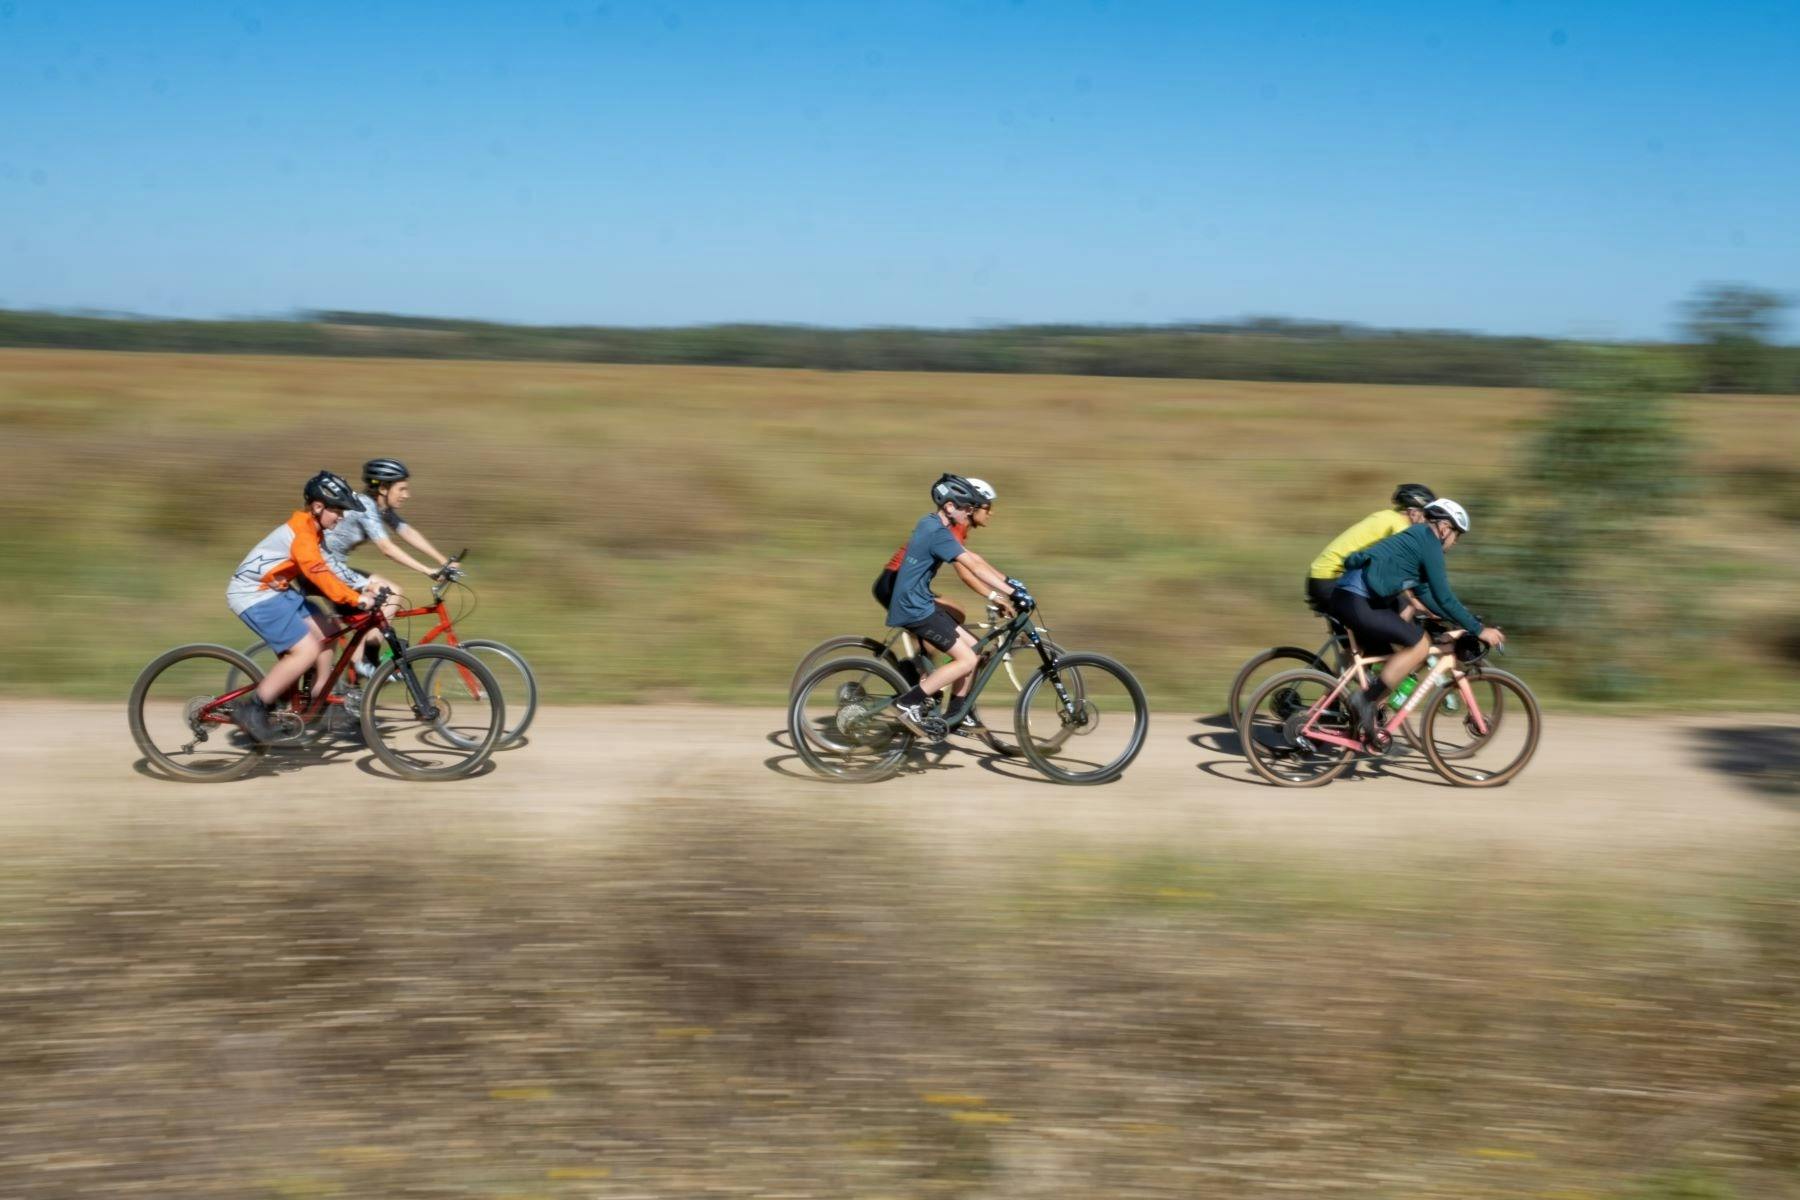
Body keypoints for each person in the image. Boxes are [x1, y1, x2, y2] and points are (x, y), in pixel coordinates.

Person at [1328, 498, 1504, 744]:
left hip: (1352, 598)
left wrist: (1459, 619)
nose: (1455, 542)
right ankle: (1364, 702)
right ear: (1444, 528)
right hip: (1357, 600)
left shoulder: (1418, 538)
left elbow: (1427, 595)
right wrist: (1479, 629)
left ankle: (1360, 717)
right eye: (1457, 535)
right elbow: (1444, 595)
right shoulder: (1428, 543)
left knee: (1393, 661)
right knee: (1419, 645)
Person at [225, 471, 372, 742]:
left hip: (276, 591)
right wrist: (354, 598)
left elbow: (328, 569)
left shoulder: (314, 531)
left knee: (328, 628)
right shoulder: (302, 533)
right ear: (318, 507)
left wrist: (363, 588)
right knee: (305, 652)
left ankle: (319, 697)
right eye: (337, 511)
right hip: (253, 594)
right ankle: (254, 708)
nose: (341, 517)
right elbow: (317, 572)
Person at [886, 474, 1024, 738]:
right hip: (915, 609)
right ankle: (908, 702)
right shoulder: (936, 532)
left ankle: (956, 716)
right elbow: (971, 566)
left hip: (920, 603)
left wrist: (1010, 585)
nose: (969, 513)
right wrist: (1008, 592)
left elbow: (975, 560)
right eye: (966, 508)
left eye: (973, 509)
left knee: (973, 648)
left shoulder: (932, 525)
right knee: (967, 659)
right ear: (949, 507)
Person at [324, 458, 461, 676]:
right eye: (402, 489)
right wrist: (427, 571)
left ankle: (361, 668)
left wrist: (442, 561)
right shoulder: (365, 507)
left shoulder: (379, 507)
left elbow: (406, 531)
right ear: (384, 488)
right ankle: (367, 661)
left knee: (380, 604)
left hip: (335, 566)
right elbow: (387, 548)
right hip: (324, 569)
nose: (406, 495)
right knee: (391, 593)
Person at [872, 475, 1003, 625]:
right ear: (974, 508)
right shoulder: (953, 530)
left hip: (902, 584)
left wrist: (1009, 584)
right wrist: (994, 596)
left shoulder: (958, 527)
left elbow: (976, 561)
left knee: (955, 614)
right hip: (895, 584)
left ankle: (923, 646)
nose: (991, 513)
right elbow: (967, 574)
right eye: (988, 508)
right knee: (953, 616)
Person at [1305, 484, 1437, 613]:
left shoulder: (1387, 516)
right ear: (1413, 511)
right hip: (1330, 579)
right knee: (1403, 607)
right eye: (1427, 515)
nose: (1429, 522)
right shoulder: (1400, 526)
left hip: (1323, 577)